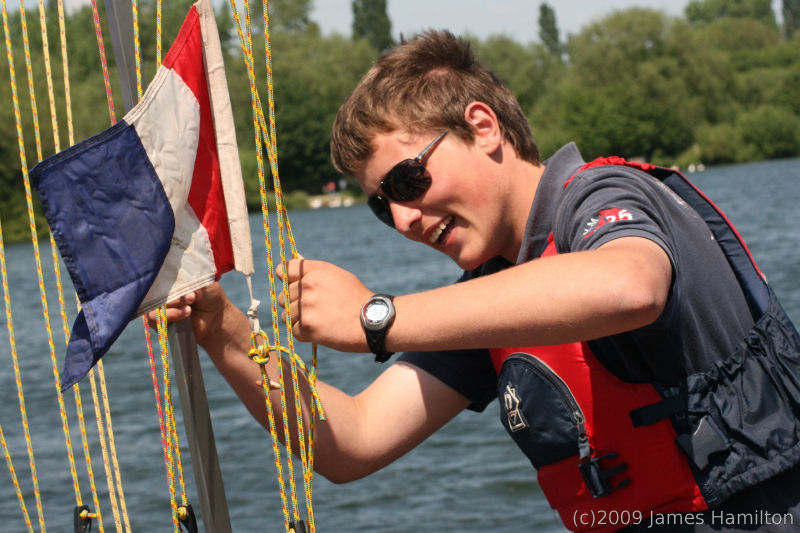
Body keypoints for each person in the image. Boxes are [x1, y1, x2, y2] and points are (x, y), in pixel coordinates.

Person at [162, 30, 800, 531]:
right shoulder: (494, 294)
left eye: (409, 181)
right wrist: (226, 333)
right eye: (383, 205)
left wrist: (374, 319)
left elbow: (628, 287)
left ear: (484, 126)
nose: (406, 218)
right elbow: (352, 442)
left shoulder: (604, 196)